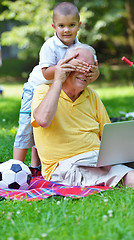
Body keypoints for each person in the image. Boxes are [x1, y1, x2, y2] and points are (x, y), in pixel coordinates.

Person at [31, 43, 134, 189]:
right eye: (79, 66)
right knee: (117, 171)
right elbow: (42, 120)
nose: (85, 72)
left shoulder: (91, 95)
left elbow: (107, 134)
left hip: (97, 157)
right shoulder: (44, 91)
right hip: (65, 165)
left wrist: (123, 154)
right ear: (65, 65)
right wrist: (58, 80)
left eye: (90, 68)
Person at [13, 2, 99, 174]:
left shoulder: (79, 47)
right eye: (61, 26)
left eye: (71, 25)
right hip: (36, 88)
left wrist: (94, 73)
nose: (66, 30)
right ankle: (15, 166)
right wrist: (65, 66)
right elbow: (46, 73)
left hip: (57, 91)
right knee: (26, 127)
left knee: (47, 128)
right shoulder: (49, 46)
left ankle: (36, 165)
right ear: (54, 27)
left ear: (79, 26)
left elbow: (89, 70)